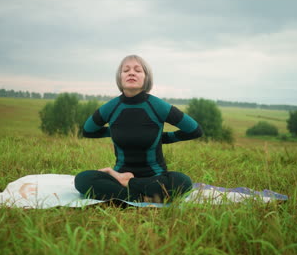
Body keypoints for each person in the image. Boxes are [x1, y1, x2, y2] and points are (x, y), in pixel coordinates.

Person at [74, 55, 202, 202]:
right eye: (126, 70)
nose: (131, 73)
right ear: (120, 77)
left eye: (138, 70)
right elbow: (88, 131)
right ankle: (146, 196)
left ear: (146, 78)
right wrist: (117, 132)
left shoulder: (158, 105)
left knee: (182, 181)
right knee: (82, 179)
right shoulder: (111, 107)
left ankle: (128, 188)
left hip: (155, 178)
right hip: (119, 175)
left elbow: (194, 130)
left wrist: (160, 137)